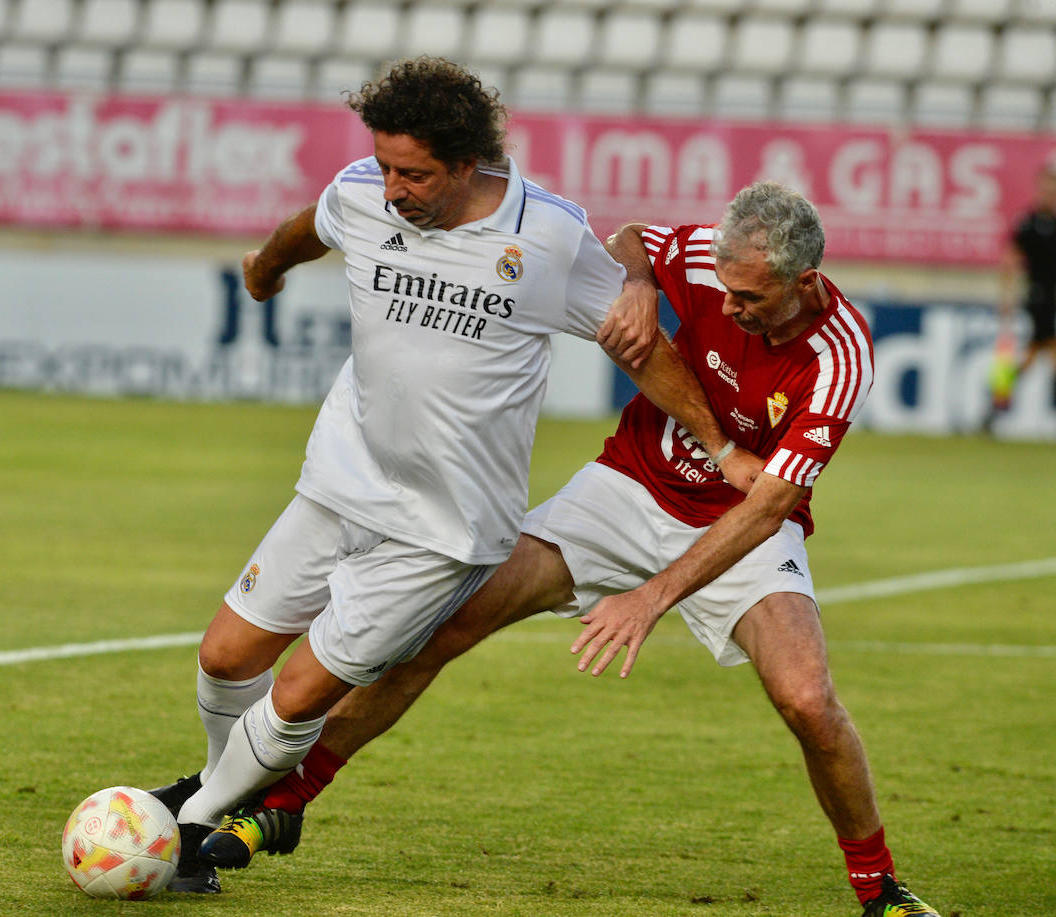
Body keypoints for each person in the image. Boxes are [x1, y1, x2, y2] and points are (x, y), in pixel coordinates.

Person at [203, 182, 943, 917]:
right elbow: (630, 239)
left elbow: (770, 505)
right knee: (439, 625)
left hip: (742, 525)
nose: (730, 308)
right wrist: (640, 285)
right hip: (624, 488)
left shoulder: (840, 355)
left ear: (805, 282)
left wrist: (651, 598)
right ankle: (286, 801)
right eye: (725, 290)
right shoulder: (705, 257)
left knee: (807, 699)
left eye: (750, 297)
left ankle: (880, 889)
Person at [148, 56, 756, 894]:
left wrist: (722, 447)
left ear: (468, 164)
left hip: (445, 529)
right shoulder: (363, 192)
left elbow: (640, 349)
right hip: (341, 479)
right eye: (386, 166)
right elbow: (310, 225)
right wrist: (265, 268)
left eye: (416, 174)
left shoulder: (547, 236)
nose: (393, 189)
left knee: (297, 693)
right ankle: (228, 786)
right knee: (225, 656)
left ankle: (189, 827)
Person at [985, 161, 1056, 430]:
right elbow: (1010, 261)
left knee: (1029, 359)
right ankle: (996, 400)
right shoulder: (1029, 223)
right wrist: (1006, 299)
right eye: (1047, 186)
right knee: (1046, 352)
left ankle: (996, 401)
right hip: (1039, 300)